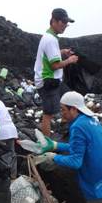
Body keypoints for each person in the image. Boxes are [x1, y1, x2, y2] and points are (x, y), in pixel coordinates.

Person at [34, 8, 79, 137]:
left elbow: (50, 56)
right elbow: (55, 65)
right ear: (54, 21)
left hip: (54, 80)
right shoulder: (50, 40)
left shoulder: (50, 38)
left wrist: (62, 52)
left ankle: (65, 127)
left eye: (66, 23)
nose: (64, 25)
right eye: (62, 22)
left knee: (69, 100)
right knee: (48, 114)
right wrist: (70, 60)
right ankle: (46, 145)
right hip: (47, 81)